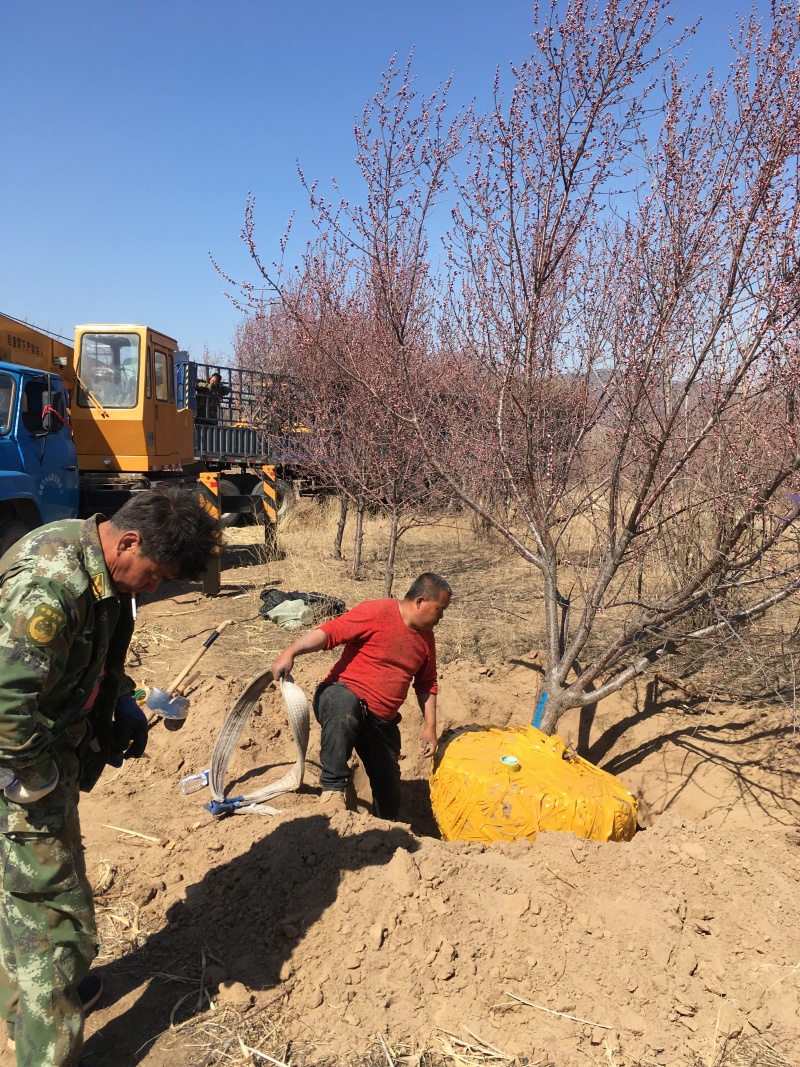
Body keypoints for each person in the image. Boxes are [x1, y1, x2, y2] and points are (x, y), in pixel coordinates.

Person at [0, 488, 222, 1067]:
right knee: (55, 925)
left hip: (43, 758)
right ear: (128, 541)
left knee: (28, 901)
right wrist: (37, 779)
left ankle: (33, 1001)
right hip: (16, 769)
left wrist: (116, 700)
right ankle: (46, 1037)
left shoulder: (96, 565)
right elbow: (4, 708)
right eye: (155, 575)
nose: (153, 588)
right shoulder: (52, 587)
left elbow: (79, 661)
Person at [270, 572, 451, 819]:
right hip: (339, 696)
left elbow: (426, 683)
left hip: (380, 722)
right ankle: (333, 789)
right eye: (440, 609)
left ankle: (382, 829)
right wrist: (290, 652)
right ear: (420, 601)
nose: (442, 616)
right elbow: (328, 633)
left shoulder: (426, 639)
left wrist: (430, 727)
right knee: (345, 706)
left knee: (389, 794)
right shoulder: (376, 612)